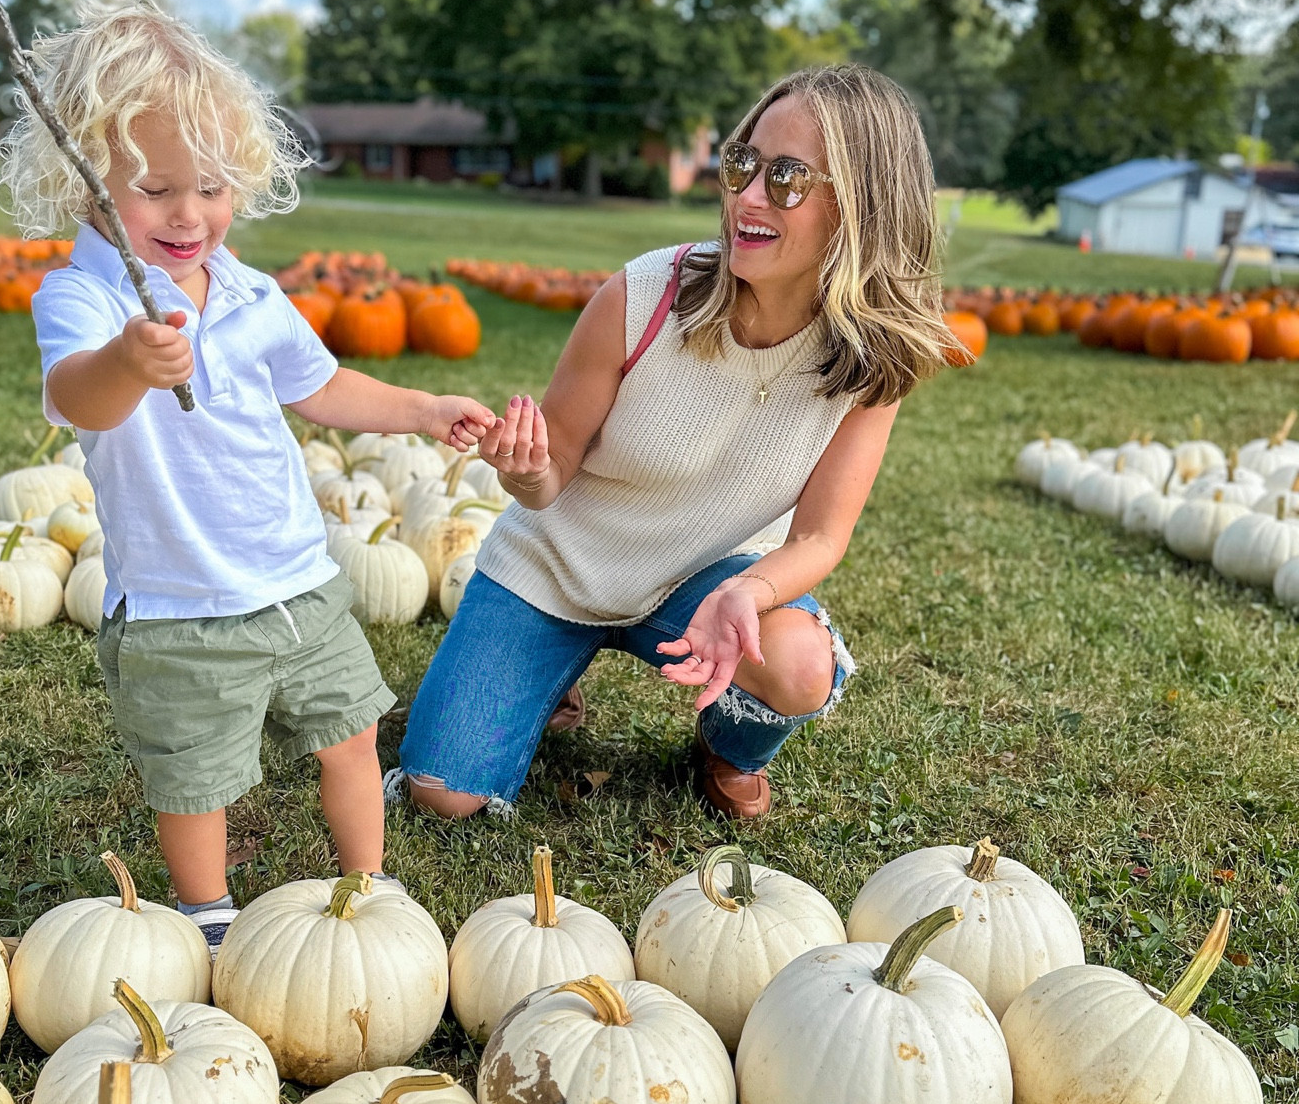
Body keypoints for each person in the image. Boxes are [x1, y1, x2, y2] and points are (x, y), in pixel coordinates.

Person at [11, 2, 495, 952]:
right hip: (179, 605)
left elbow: (325, 386)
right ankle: (209, 915)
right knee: (196, 778)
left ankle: (370, 883)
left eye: (212, 186)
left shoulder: (248, 292)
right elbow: (78, 398)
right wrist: (130, 361)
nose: (189, 215)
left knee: (352, 735)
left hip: (299, 583)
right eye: (153, 190)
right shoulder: (83, 296)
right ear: (84, 184)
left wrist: (424, 410)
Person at [396, 63, 955, 823]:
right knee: (443, 795)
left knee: (797, 662)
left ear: (862, 207)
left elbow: (823, 535)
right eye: (742, 163)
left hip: (697, 580)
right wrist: (526, 472)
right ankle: (545, 670)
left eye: (788, 178)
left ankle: (727, 748)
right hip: (556, 568)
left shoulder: (870, 360)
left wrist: (747, 592)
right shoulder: (646, 294)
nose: (748, 196)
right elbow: (550, 469)